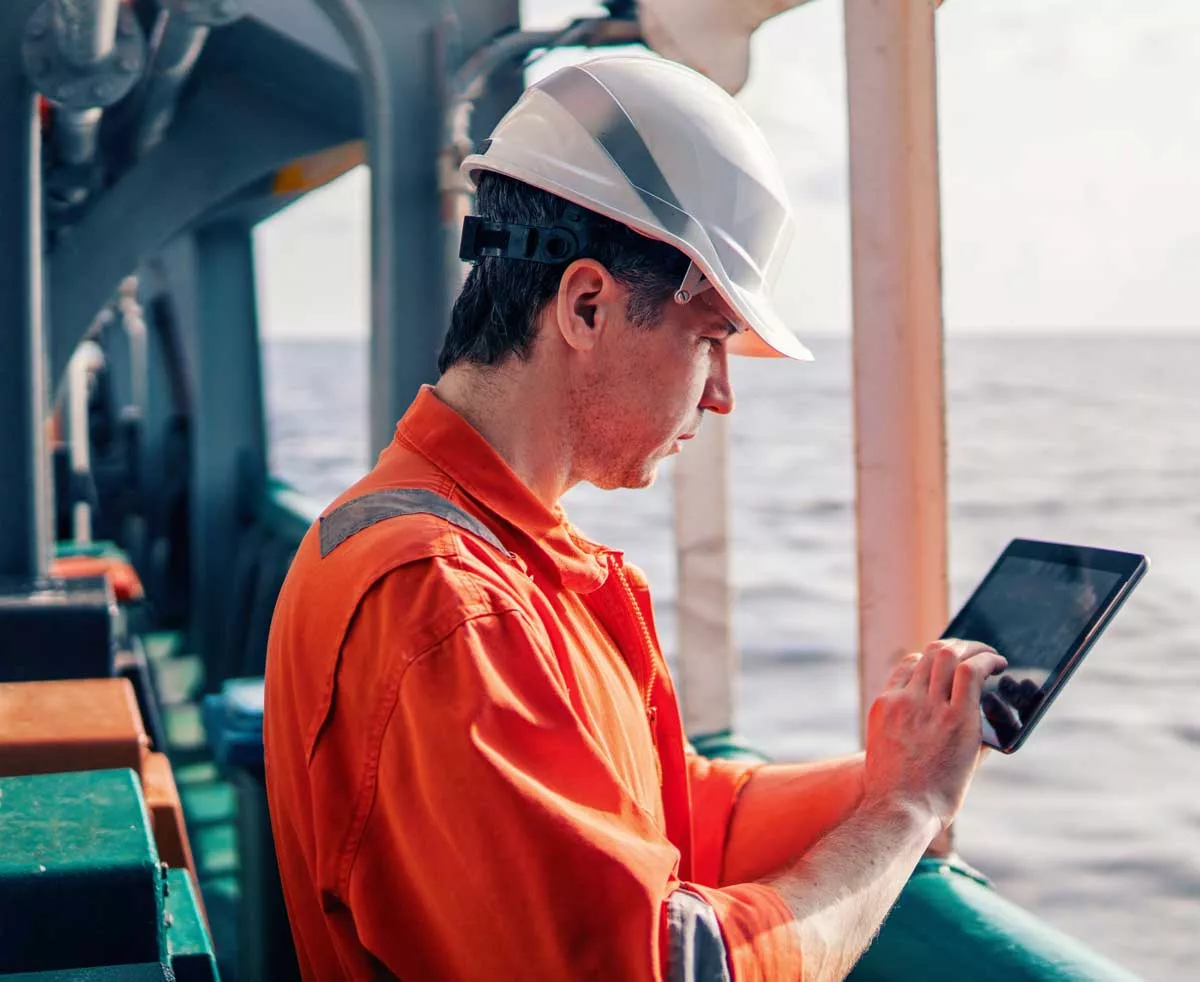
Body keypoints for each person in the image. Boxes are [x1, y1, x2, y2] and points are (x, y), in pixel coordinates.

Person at [263, 55, 1006, 981]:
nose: (723, 395)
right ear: (585, 305)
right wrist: (900, 819)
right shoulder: (448, 605)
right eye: (710, 340)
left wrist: (899, 768)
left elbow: (672, 813)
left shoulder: (491, 552)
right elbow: (671, 966)